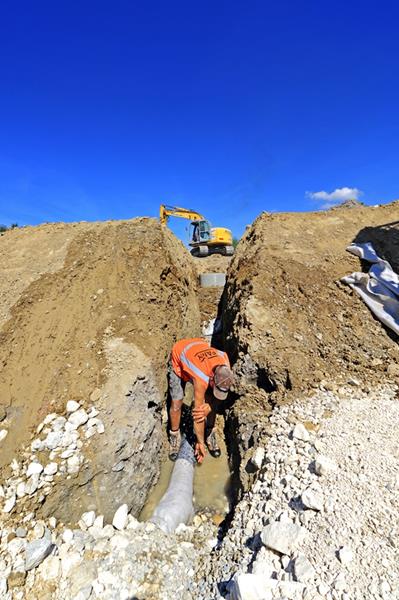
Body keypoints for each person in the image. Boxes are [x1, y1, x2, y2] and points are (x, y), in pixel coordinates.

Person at [168, 337, 235, 463]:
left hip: (197, 348)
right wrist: (200, 443)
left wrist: (209, 406)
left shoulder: (225, 364)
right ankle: (175, 435)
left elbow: (217, 396)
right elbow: (198, 416)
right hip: (180, 355)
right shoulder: (201, 378)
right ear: (212, 378)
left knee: (210, 399)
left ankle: (210, 431)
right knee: (177, 402)